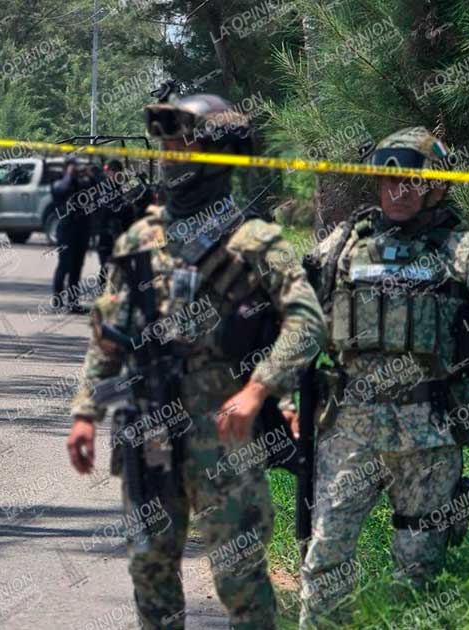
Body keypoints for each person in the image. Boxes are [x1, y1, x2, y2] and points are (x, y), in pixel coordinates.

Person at [65, 93, 327, 630]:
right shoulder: (140, 239)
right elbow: (108, 335)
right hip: (151, 434)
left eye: (185, 142)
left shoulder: (256, 242)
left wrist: (259, 391)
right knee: (150, 570)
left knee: (240, 580)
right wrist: (84, 413)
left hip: (224, 442)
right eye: (166, 143)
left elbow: (308, 324)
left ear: (221, 155)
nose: (171, 153)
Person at [296, 127, 469, 628]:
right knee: (326, 556)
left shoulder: (467, 253)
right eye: (387, 182)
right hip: (349, 430)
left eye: (409, 183)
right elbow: (300, 320)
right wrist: (274, 393)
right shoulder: (344, 244)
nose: (396, 193)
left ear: (436, 187)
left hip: (430, 431)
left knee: (419, 567)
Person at [51, 156, 94, 312]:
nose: (76, 169)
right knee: (64, 266)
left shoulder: (81, 183)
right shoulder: (58, 182)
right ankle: (57, 300)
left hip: (82, 230)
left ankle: (73, 302)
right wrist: (69, 174)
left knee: (77, 267)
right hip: (66, 230)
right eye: (72, 167)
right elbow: (61, 189)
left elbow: (95, 192)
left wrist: (90, 175)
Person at [92, 159, 130, 290]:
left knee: (120, 262)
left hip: (118, 230)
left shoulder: (119, 187)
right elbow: (107, 208)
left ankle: (115, 288)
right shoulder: (104, 188)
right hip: (105, 231)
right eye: (117, 174)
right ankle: (104, 289)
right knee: (105, 263)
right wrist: (123, 206)